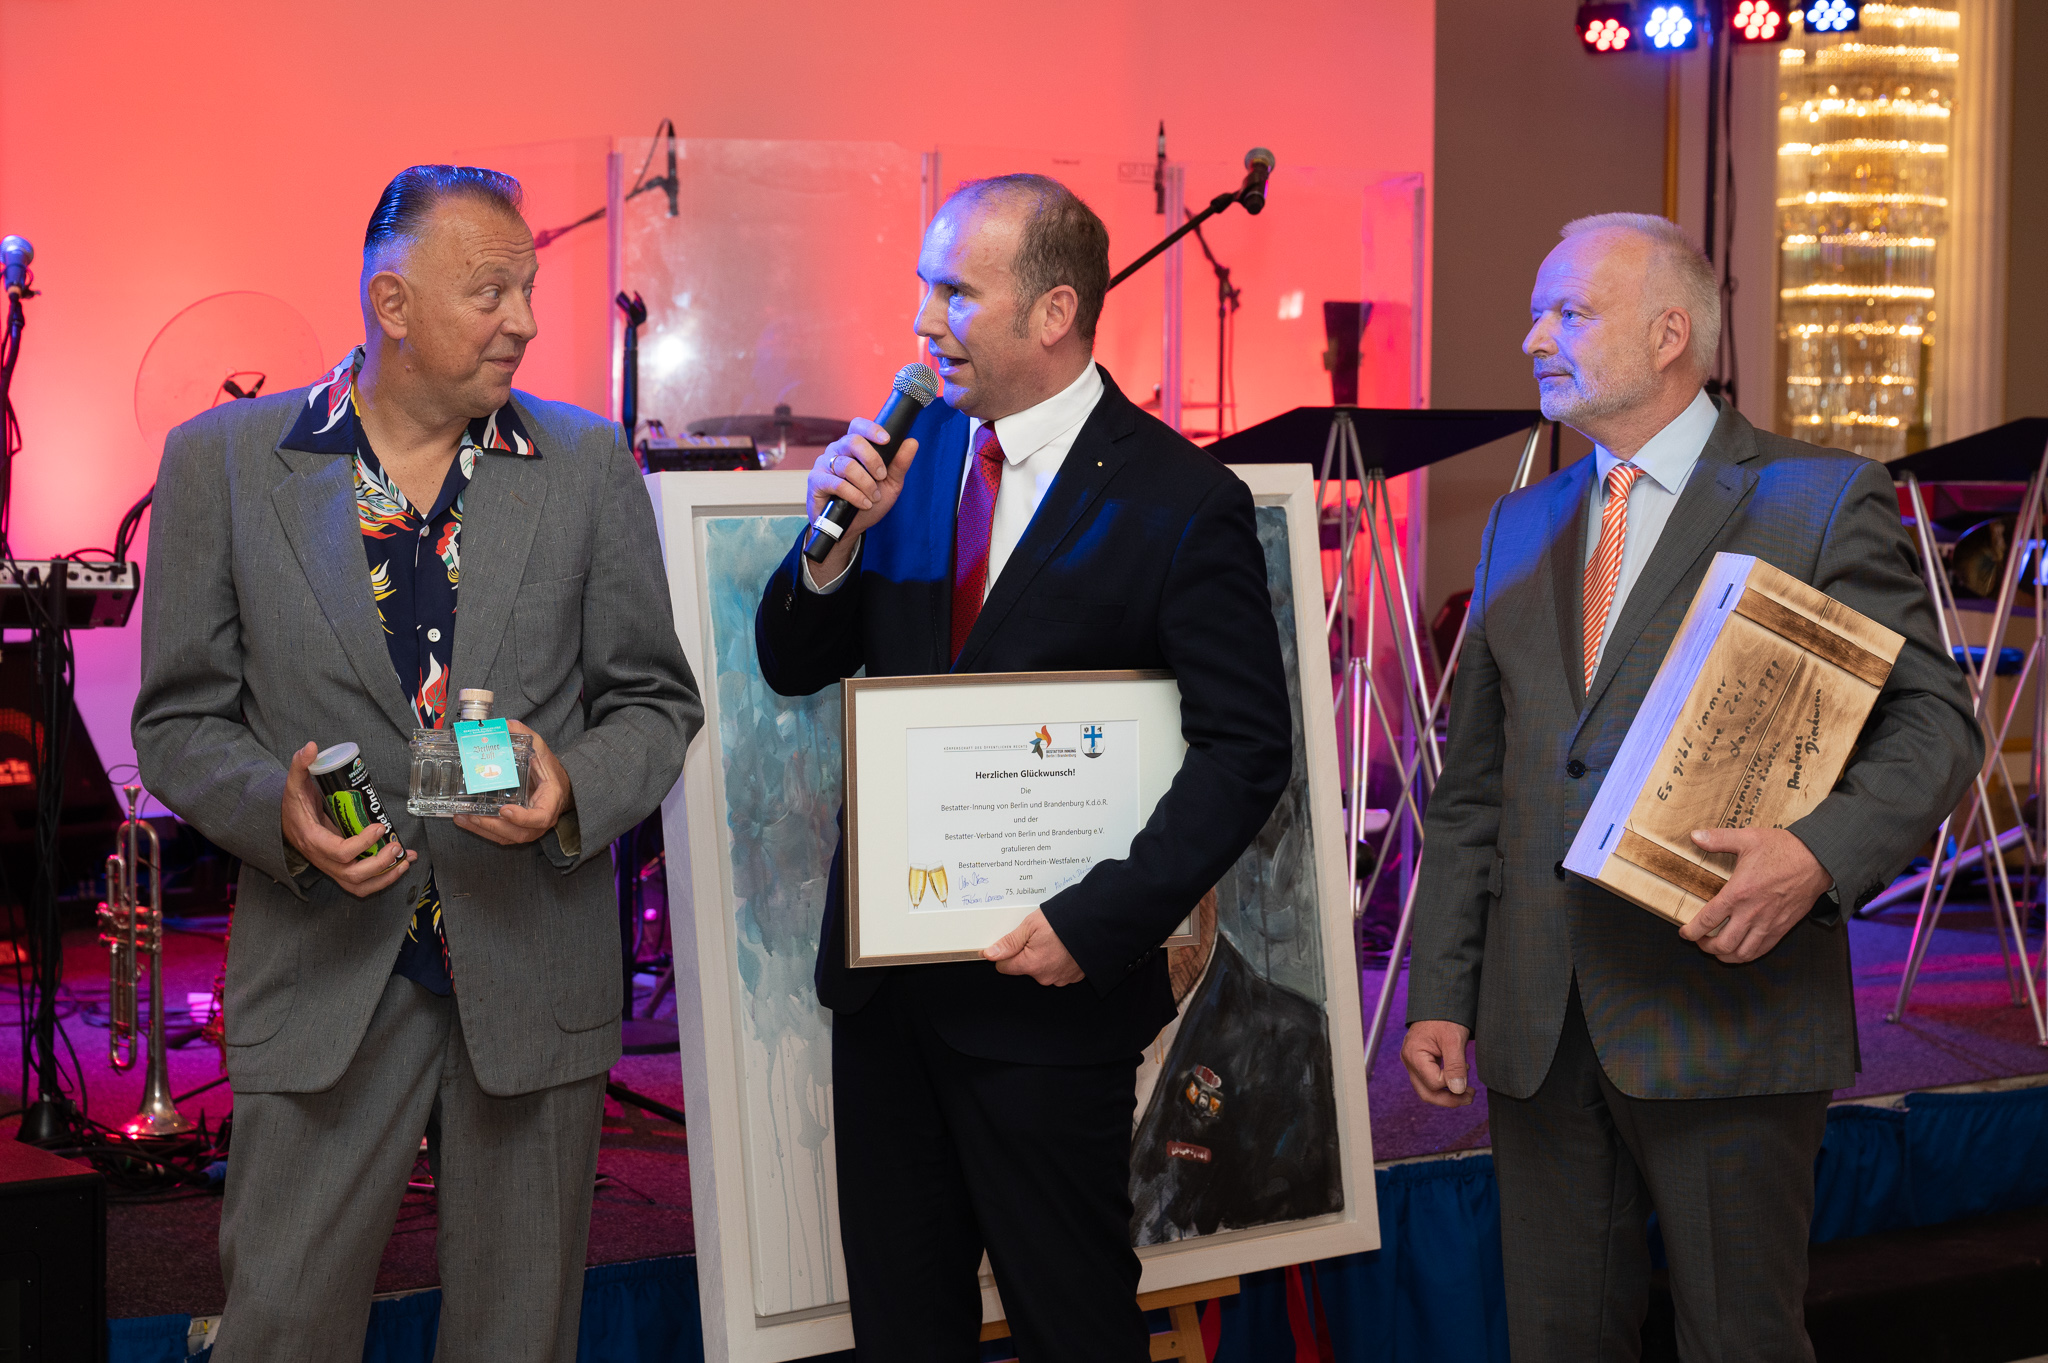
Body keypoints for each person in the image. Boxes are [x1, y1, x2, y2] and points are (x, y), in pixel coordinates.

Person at [133, 165, 701, 1363]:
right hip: (325, 971)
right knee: (280, 1328)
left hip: (532, 970)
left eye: (528, 288)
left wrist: (569, 788)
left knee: (517, 1337)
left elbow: (655, 703)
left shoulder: (587, 463)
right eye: (490, 291)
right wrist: (277, 810)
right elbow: (179, 720)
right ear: (391, 304)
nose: (524, 320)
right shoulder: (223, 464)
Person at [1400, 212, 1980, 1362]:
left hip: (1724, 1009)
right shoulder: (1517, 525)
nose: (1532, 339)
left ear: (1669, 334)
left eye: (1567, 312)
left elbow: (1933, 724)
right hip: (1533, 1023)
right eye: (1535, 313)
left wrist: (1815, 856)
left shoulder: (1819, 498)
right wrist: (1440, 990)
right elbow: (1472, 789)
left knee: (1737, 1343)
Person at [753, 174, 1292, 1361]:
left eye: (955, 292)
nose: (923, 322)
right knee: (903, 1329)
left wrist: (1097, 923)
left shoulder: (1180, 500)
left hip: (1049, 1000)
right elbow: (791, 662)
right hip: (887, 996)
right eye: (923, 289)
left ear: (1054, 312)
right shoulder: (904, 459)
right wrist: (827, 548)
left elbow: (1247, 750)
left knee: (1072, 1323)